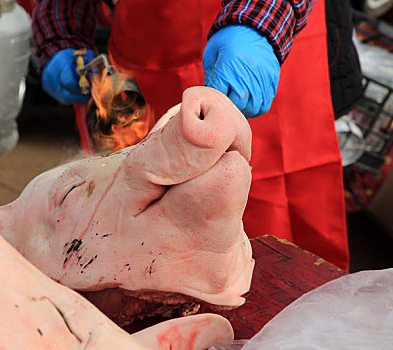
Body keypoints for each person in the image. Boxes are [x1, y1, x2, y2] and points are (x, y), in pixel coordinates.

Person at [31, 0, 350, 270]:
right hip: (144, 49)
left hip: (263, 49)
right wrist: (61, 35)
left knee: (275, 256)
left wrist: (257, 26)